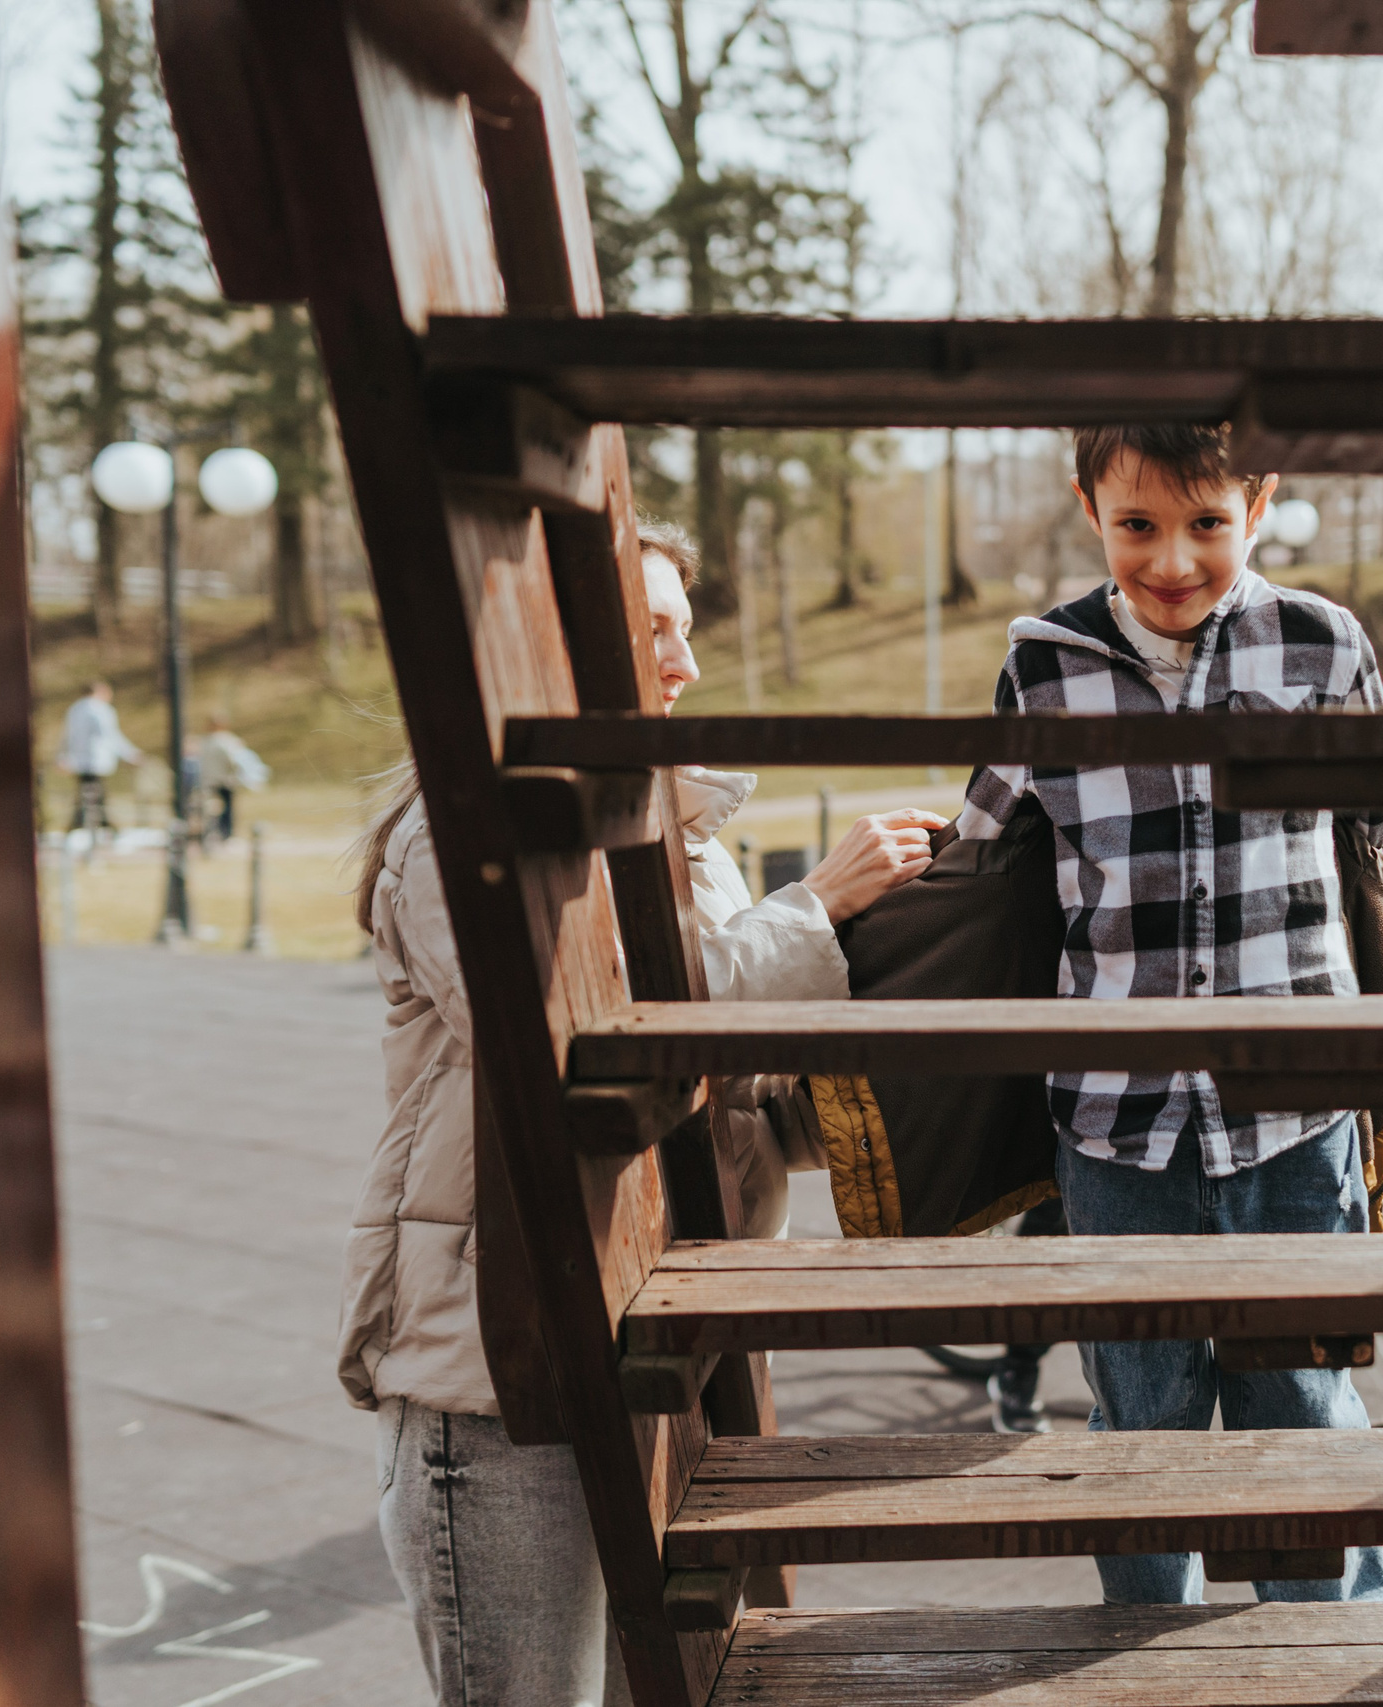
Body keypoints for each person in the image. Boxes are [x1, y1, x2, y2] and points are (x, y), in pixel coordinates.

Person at [342, 518, 946, 1707]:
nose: (686, 665)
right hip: (506, 1385)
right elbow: (576, 1066)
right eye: (650, 630)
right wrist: (815, 909)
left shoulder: (678, 838)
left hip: (671, 1357)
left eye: (686, 629)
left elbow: (731, 1106)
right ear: (550, 648)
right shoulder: (453, 842)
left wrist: (907, 1026)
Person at [956, 424, 1383, 1606]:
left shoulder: (1321, 645)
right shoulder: (1043, 670)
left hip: (1296, 1120)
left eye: (1207, 524)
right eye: (1137, 526)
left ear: (1259, 503)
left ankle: (1321, 1658)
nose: (1171, 561)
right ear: (1088, 509)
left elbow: (1374, 851)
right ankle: (1149, 1660)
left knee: (1301, 1410)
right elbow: (985, 863)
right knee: (1143, 1418)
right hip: (1117, 1125)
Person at [57, 680, 138, 847]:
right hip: (97, 761)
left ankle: (86, 827)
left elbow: (66, 736)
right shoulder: (101, 710)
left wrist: (63, 757)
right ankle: (98, 828)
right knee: (94, 797)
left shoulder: (75, 709)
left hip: (79, 762)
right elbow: (110, 735)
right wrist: (130, 754)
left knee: (88, 795)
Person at [198, 714, 270, 843]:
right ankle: (226, 834)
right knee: (226, 808)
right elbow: (233, 760)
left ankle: (214, 833)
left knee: (212, 808)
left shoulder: (205, 741)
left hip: (209, 780)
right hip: (224, 780)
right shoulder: (224, 741)